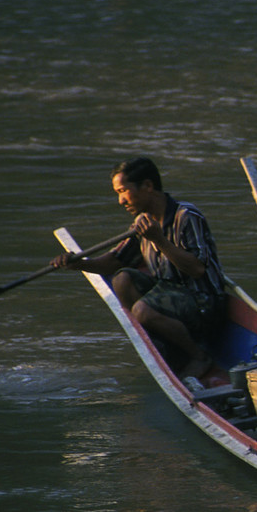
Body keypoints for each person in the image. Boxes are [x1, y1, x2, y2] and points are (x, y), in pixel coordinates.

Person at [53, 157, 226, 380]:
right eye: (118, 193)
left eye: (123, 190)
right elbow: (115, 260)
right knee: (121, 279)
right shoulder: (142, 221)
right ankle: (165, 342)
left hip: (204, 302)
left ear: (147, 186)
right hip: (170, 294)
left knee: (142, 311)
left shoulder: (187, 216)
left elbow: (197, 270)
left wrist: (159, 240)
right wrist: (79, 264)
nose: (120, 200)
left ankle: (198, 355)